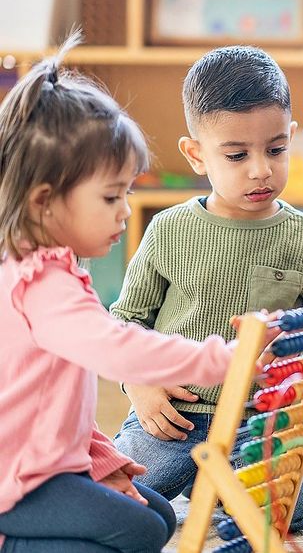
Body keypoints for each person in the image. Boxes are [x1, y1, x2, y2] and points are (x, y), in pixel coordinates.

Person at [0, 35, 265, 552]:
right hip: (21, 480)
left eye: (127, 192)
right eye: (110, 196)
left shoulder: (45, 268)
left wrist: (104, 462)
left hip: (47, 462)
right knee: (141, 530)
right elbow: (120, 348)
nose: (125, 211)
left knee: (160, 514)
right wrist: (224, 360)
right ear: (44, 202)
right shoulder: (42, 286)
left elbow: (51, 406)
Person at [110, 46, 303, 533]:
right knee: (114, 499)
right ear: (196, 154)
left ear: (292, 139)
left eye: (276, 149)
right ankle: (201, 478)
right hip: (174, 416)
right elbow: (125, 322)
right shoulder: (168, 230)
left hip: (262, 426)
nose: (260, 169)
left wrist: (295, 395)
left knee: (284, 517)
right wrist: (139, 384)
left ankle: (213, 485)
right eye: (237, 155)